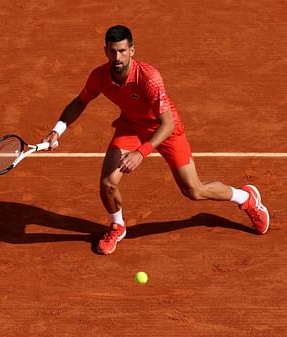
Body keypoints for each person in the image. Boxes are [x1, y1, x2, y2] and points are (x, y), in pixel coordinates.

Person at [42, 25, 270, 255]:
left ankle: (246, 197)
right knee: (108, 183)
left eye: (122, 51)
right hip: (131, 127)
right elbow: (80, 101)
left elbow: (167, 123)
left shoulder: (148, 78)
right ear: (106, 51)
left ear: (132, 50)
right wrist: (57, 130)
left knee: (194, 190)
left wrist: (141, 152)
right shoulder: (100, 76)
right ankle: (117, 226)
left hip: (164, 129)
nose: (117, 57)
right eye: (112, 51)